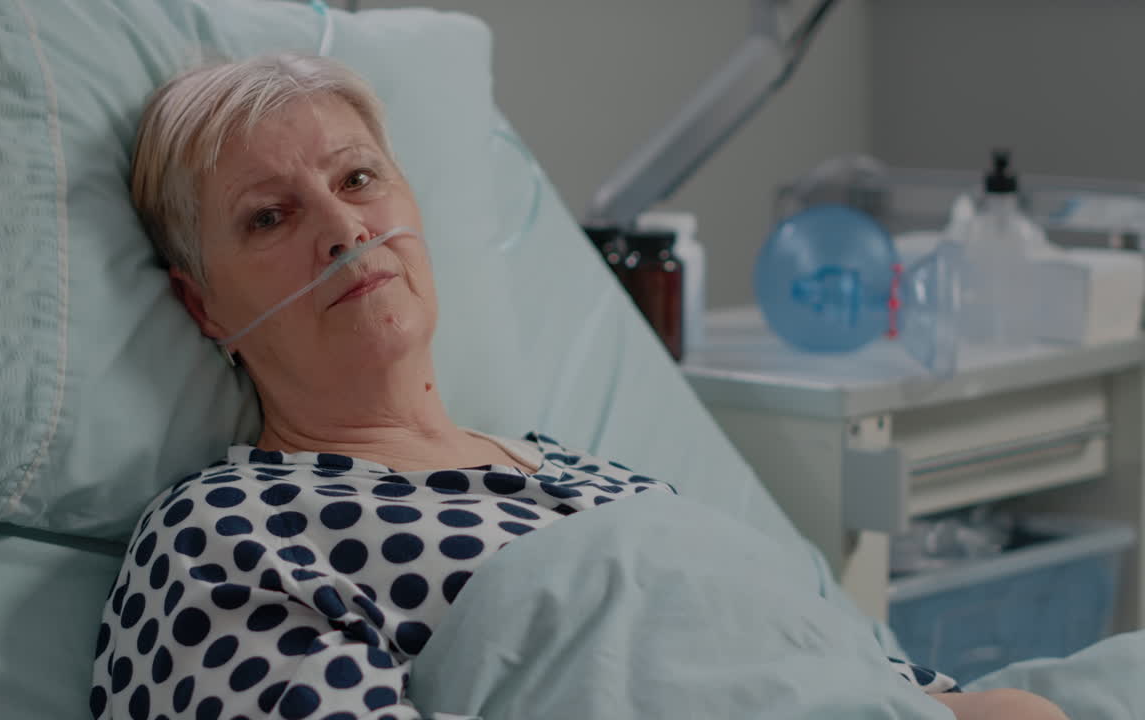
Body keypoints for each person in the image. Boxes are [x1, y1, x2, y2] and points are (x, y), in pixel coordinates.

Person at [89, 53, 1067, 720]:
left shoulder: (591, 477)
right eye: (268, 218)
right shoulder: (229, 531)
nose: (344, 231)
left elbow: (828, 668)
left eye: (356, 180)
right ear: (203, 305)